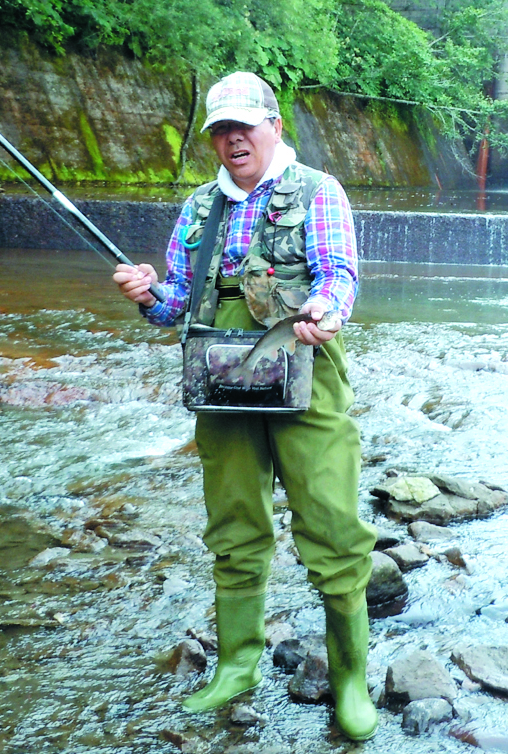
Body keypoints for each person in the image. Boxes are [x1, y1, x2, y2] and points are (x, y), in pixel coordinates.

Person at [113, 71, 378, 741]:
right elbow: (176, 302)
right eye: (220, 130)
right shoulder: (201, 207)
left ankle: (349, 676)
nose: (232, 139)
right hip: (220, 379)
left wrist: (325, 309)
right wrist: (147, 292)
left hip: (302, 367)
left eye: (244, 126)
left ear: (273, 126)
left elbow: (337, 273)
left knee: (330, 520)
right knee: (232, 519)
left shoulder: (318, 191)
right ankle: (237, 663)